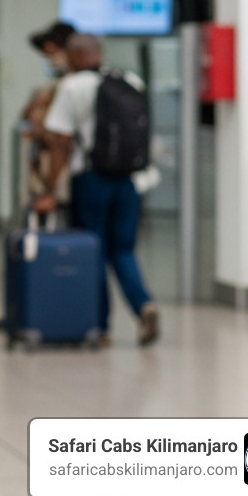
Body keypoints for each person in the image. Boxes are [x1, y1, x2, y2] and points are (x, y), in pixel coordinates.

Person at [35, 33, 160, 346]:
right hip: (129, 178)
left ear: (73, 56)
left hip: (91, 179)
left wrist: (50, 188)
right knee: (123, 249)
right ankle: (144, 304)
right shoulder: (130, 80)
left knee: (94, 251)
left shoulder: (72, 86)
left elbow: (60, 141)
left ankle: (100, 326)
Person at [20, 21, 76, 216]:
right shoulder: (55, 85)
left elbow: (61, 137)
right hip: (50, 164)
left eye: (52, 54)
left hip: (70, 168)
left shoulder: (75, 85)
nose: (50, 60)